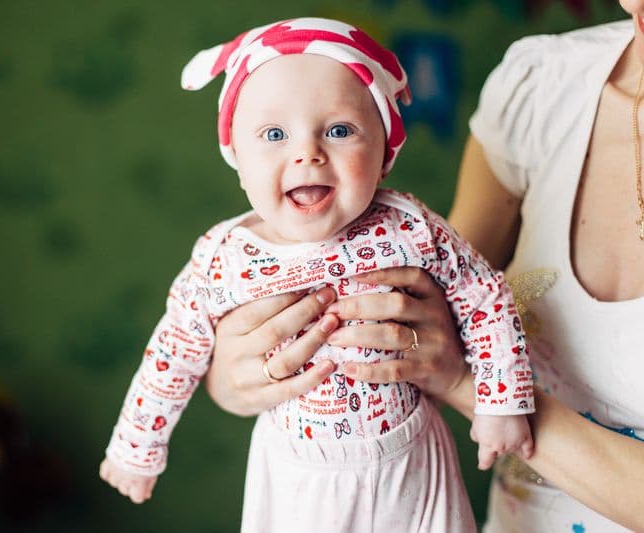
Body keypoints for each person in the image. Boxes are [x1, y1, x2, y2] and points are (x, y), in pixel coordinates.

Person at [204, 4, 644, 532]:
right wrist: (238, 373)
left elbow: (446, 345)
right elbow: (440, 299)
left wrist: (465, 380)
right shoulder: (543, 86)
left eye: (340, 131)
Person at [98, 17, 536, 532]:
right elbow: (172, 351)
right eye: (275, 134)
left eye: (339, 130)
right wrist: (136, 449)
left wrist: (502, 399)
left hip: (412, 458)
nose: (308, 153)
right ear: (237, 157)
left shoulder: (409, 228)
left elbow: (483, 293)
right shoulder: (225, 257)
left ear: (384, 155)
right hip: (296, 474)